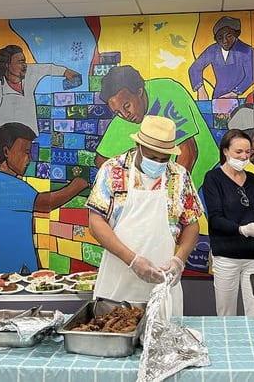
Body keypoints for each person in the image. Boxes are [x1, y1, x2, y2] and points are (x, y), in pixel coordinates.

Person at [87, 116, 203, 314]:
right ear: (138, 145)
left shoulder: (179, 176)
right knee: (115, 328)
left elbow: (192, 224)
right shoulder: (113, 170)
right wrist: (132, 260)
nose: (158, 163)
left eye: (164, 159)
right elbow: (95, 221)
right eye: (152, 157)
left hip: (163, 283)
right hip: (118, 281)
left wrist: (179, 260)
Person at [0, 122, 88, 274]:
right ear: (6, 151)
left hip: (13, 270)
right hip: (6, 274)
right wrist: (77, 185)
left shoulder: (0, 180)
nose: (29, 158)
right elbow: (46, 203)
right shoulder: (5, 184)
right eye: (25, 152)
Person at [95, 65, 219, 188]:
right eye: (117, 112)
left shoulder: (169, 91)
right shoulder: (123, 118)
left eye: (127, 106)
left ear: (139, 92)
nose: (125, 115)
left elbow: (188, 152)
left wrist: (172, 194)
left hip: (205, 177)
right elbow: (101, 160)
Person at [202, 129, 254, 321]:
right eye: (239, 152)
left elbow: (253, 214)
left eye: (248, 152)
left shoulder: (253, 179)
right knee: (226, 314)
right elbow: (215, 219)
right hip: (226, 256)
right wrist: (241, 230)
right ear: (225, 151)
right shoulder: (213, 178)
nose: (244, 156)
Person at [0, 45, 80, 170]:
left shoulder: (29, 75)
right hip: (12, 148)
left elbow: (47, 68)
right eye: (20, 62)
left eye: (24, 61)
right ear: (7, 65)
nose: (25, 65)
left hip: (32, 141)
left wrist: (66, 72)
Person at [189, 16, 254, 100]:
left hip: (239, 98)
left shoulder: (247, 51)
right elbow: (194, 69)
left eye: (228, 36)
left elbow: (250, 77)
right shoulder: (213, 50)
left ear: (236, 34)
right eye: (220, 38)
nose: (224, 41)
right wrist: (201, 89)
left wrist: (234, 93)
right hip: (217, 97)